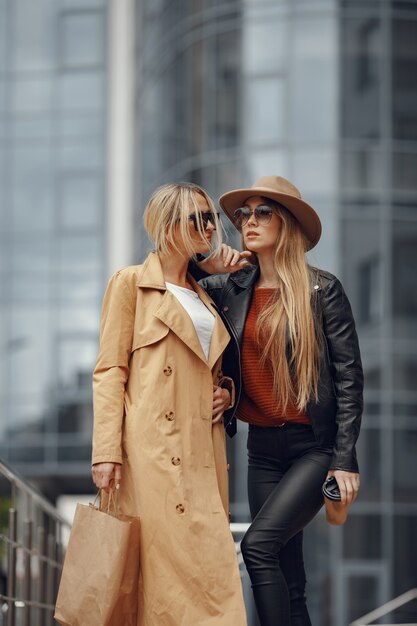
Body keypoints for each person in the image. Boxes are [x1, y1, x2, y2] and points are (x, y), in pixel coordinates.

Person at [198, 175, 364, 626]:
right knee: (290, 580)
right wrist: (210, 266)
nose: (249, 221)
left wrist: (344, 459)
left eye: (262, 212)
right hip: (262, 450)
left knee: (256, 547)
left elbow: (349, 377)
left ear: (286, 223)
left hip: (313, 447)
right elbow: (177, 284)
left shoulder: (321, 291)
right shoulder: (230, 289)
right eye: (243, 214)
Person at [91, 182, 248, 626]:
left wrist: (227, 392)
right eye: (196, 218)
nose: (209, 226)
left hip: (203, 452)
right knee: (164, 581)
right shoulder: (131, 285)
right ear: (168, 225)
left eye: (210, 218)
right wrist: (105, 452)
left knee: (210, 575)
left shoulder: (207, 295)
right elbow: (109, 371)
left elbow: (211, 367)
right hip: (152, 453)